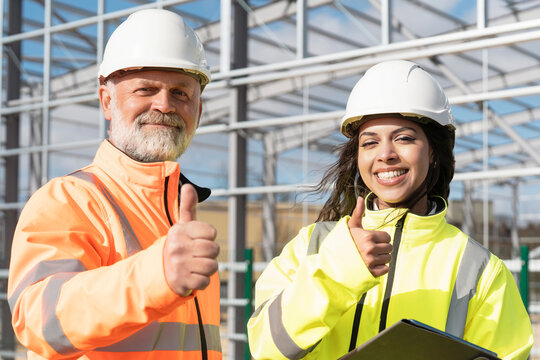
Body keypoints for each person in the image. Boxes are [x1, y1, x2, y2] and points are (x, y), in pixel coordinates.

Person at [247, 60, 533, 359]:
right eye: (369, 143)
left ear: (433, 151)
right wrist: (336, 272)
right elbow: (266, 348)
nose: (385, 154)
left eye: (404, 138)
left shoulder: (479, 271)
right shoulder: (311, 245)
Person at [8, 9, 222, 359]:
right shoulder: (68, 200)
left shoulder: (184, 221)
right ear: (107, 101)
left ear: (198, 111)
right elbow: (38, 319)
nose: (164, 105)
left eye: (181, 93)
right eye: (146, 89)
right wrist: (157, 274)